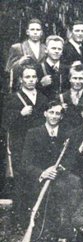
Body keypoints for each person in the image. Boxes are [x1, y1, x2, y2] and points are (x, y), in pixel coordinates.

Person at [21, 101, 82, 242]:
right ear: (45, 113)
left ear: (61, 116)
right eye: (51, 112)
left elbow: (72, 158)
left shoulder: (68, 134)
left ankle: (64, 236)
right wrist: (42, 173)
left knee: (74, 184)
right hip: (40, 178)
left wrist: (60, 168)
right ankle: (42, 232)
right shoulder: (33, 133)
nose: (54, 116)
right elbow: (25, 163)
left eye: (58, 113)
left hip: (60, 175)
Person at [2, 65, 48, 218]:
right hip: (20, 145)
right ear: (21, 79)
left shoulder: (43, 98)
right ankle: (20, 216)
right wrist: (19, 114)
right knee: (22, 179)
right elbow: (5, 122)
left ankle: (36, 214)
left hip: (39, 145)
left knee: (37, 176)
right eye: (27, 77)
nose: (31, 80)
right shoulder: (13, 98)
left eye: (33, 77)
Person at [6, 18, 46, 91]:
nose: (35, 32)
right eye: (32, 29)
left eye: (38, 30)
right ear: (27, 32)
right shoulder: (18, 47)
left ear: (41, 32)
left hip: (43, 87)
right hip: (23, 87)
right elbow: (9, 70)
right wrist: (19, 62)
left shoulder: (46, 48)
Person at [59, 65, 83, 130]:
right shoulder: (61, 97)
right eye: (75, 78)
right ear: (70, 79)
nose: (77, 82)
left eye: (80, 78)